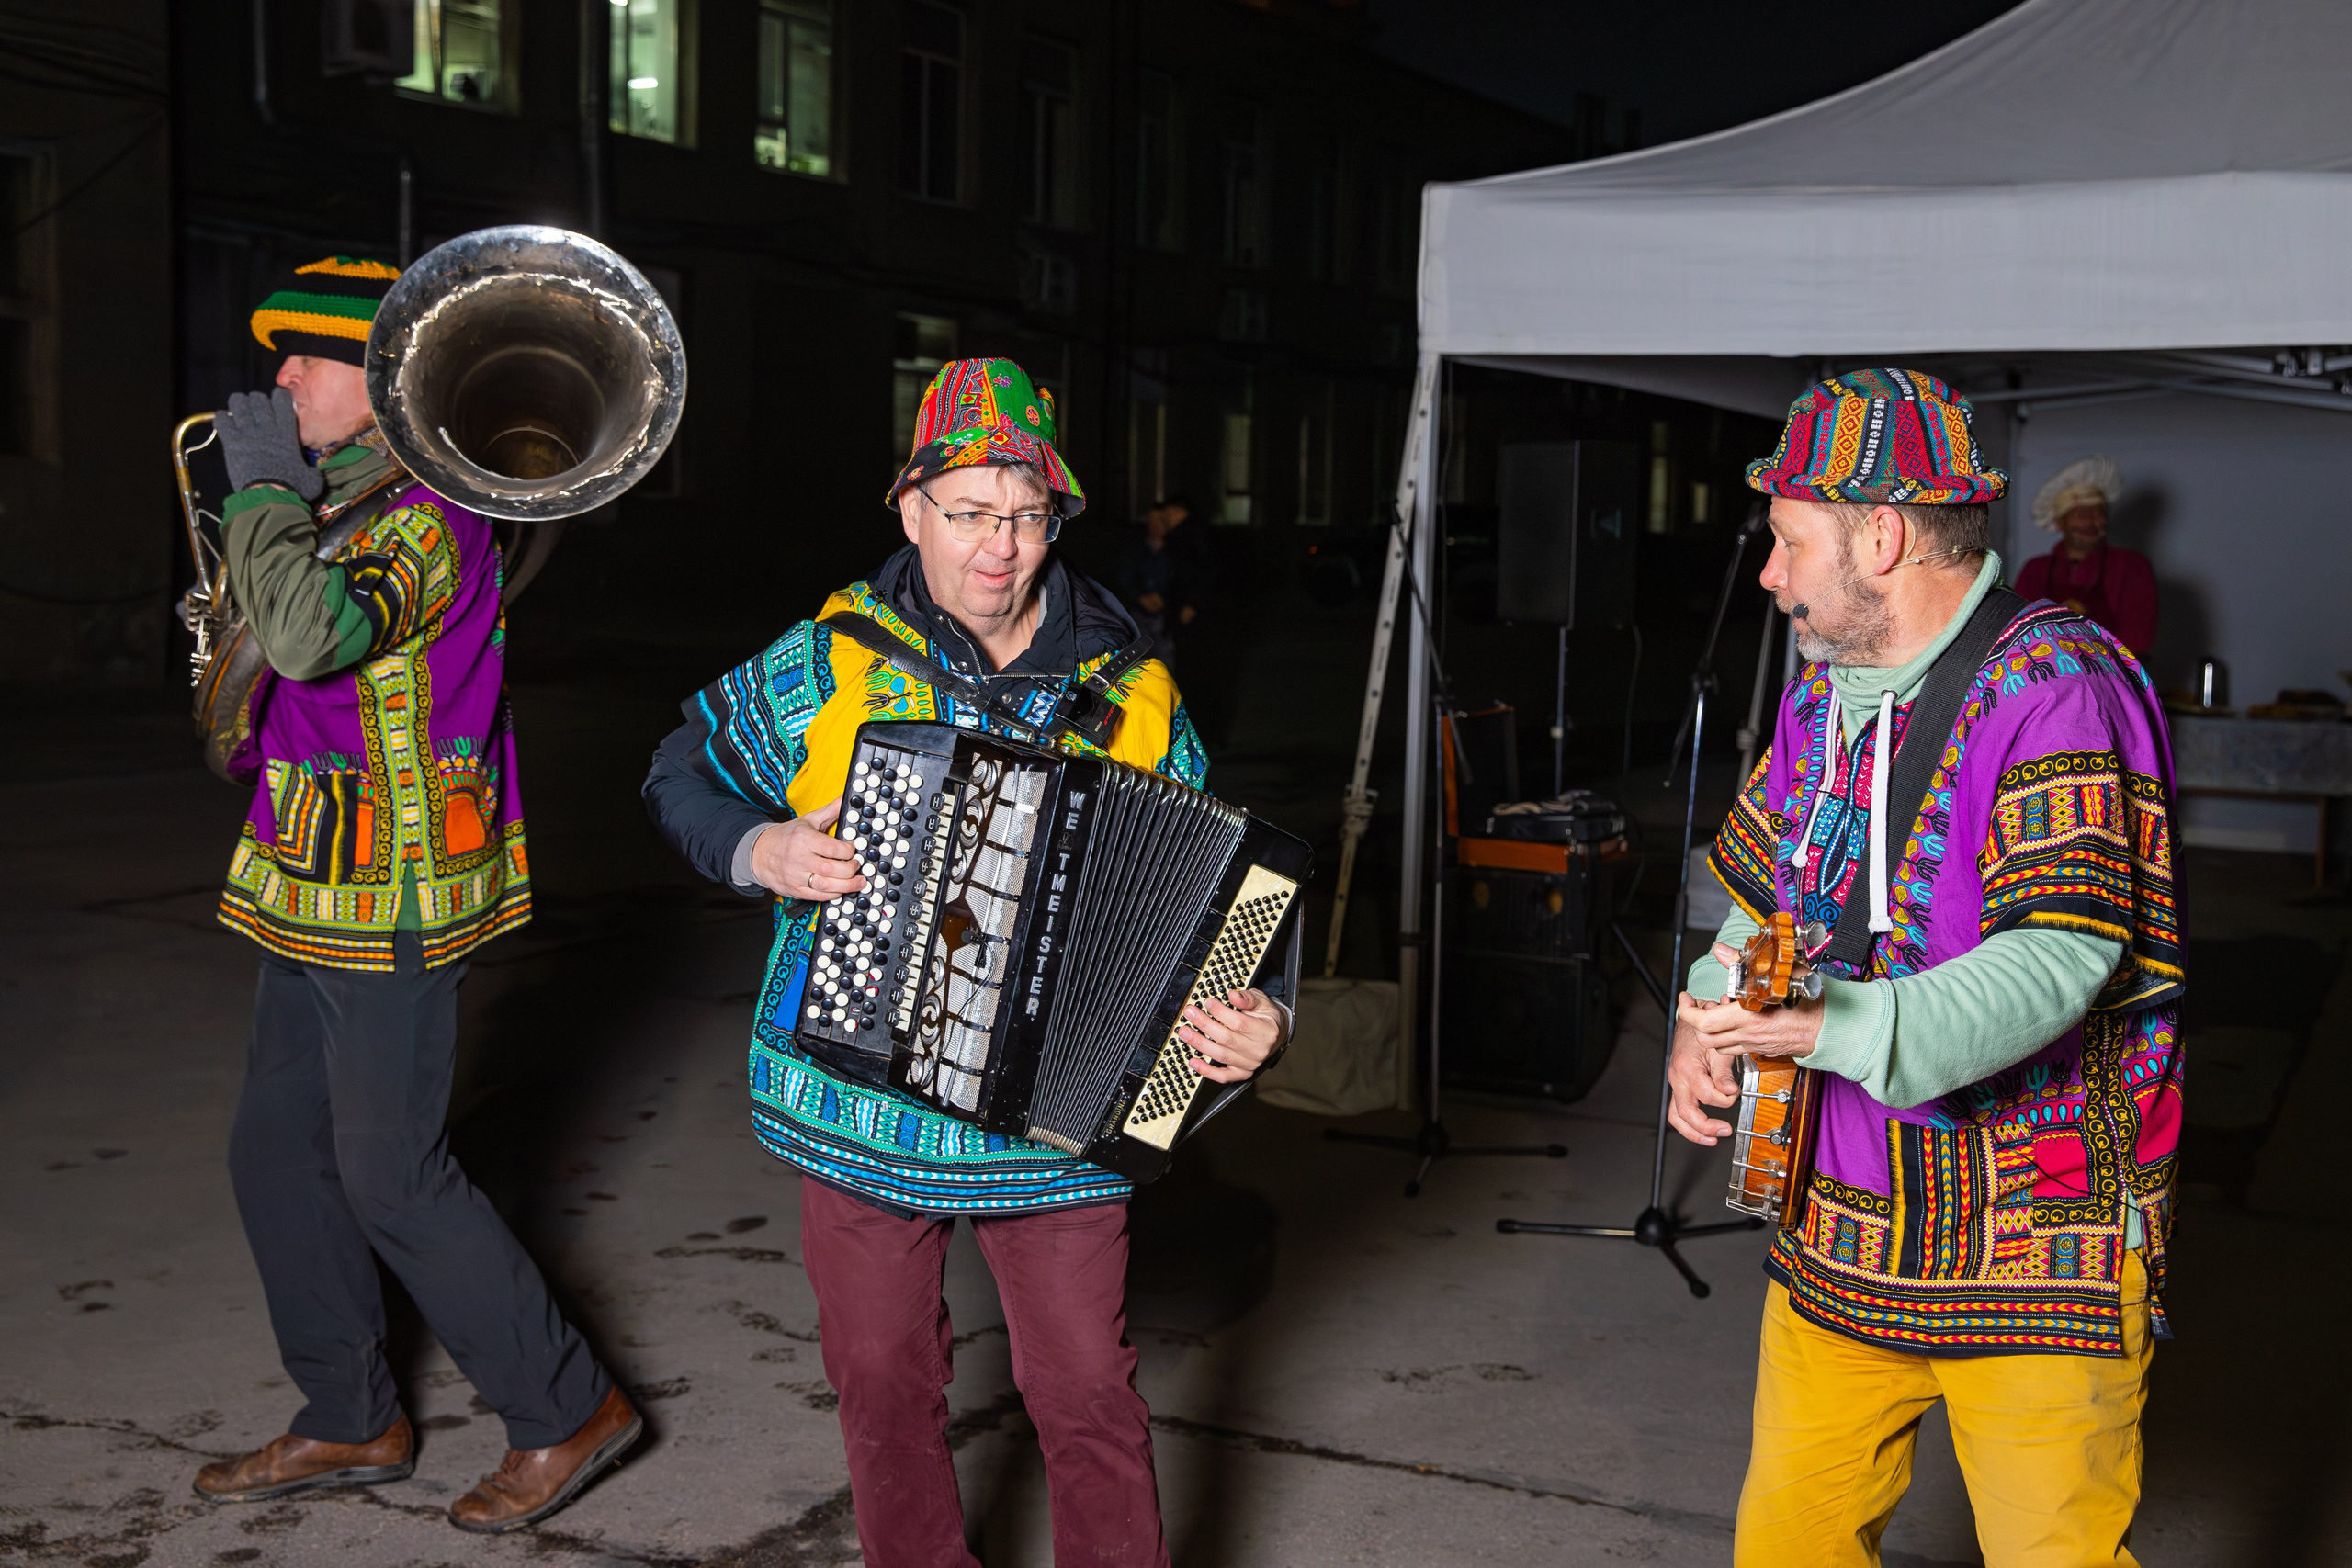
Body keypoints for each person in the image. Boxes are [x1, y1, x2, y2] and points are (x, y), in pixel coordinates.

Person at [641, 359, 1287, 1568]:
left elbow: (1213, 903)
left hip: (1053, 1118)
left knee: (1088, 1389)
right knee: (883, 1376)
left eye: (1028, 516)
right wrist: (757, 844)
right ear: (910, 509)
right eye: (970, 512)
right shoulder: (829, 657)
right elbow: (676, 774)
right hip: (858, 1096)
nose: (1000, 547)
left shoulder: (1132, 688)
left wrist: (1262, 1018)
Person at [1668, 370, 2183, 1567]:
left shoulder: (2062, 688)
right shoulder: (1819, 699)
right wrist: (1710, 1002)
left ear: (1882, 535)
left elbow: (2061, 959)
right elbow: (1760, 898)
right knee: (1789, 1541)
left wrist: (1821, 1024)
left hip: (2036, 1246)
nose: (1770, 574)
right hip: (1836, 1230)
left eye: (1789, 542)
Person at [191, 257, 639, 1532]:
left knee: (393, 1173)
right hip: (305, 870)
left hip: (395, 887)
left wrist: (265, 486)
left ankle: (568, 1405)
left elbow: (309, 636)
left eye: (304, 361)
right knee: (274, 1149)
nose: (279, 382)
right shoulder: (346, 497)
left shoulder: (424, 521)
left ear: (381, 387)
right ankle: (350, 1411)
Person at [2014, 455, 2158, 654]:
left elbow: (2139, 639)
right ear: (2059, 523)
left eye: (2098, 514)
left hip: (2113, 675)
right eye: (2081, 515)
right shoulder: (2036, 569)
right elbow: (2020, 631)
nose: (2091, 523)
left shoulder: (2132, 566)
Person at [1114, 492, 1199, 667]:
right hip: (1138, 614)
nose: (1155, 525)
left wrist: (1169, 601)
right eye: (1151, 520)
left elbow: (1185, 580)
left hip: (1168, 619)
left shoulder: (1178, 549)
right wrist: (1140, 596)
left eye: (1160, 520)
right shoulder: (1136, 547)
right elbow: (1125, 575)